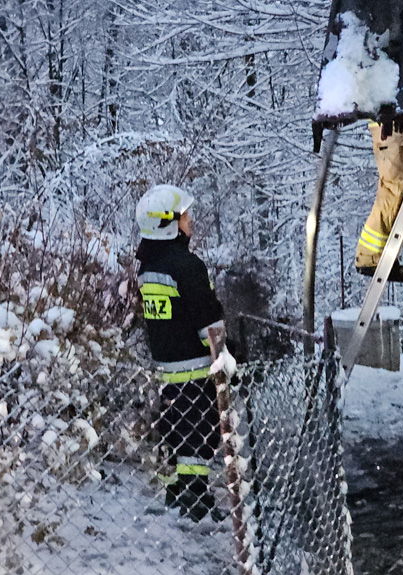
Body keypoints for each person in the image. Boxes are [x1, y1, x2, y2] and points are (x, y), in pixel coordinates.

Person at [135, 184, 226, 522]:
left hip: (165, 369)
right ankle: (196, 499)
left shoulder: (147, 266)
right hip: (196, 367)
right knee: (200, 432)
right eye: (185, 215)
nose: (191, 221)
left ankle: (180, 490)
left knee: (178, 429)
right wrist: (226, 355)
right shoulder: (186, 266)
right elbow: (206, 318)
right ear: (167, 223)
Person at [355, 121, 403, 282]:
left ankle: (372, 256)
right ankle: (369, 257)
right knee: (394, 190)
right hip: (394, 128)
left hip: (394, 128)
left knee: (396, 192)